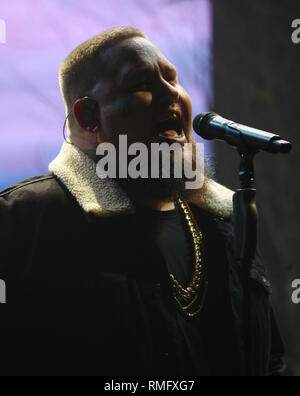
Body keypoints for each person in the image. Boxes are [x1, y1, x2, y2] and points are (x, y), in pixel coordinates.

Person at [0, 27, 284, 376]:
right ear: (88, 116)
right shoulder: (25, 219)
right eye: (141, 83)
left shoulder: (228, 221)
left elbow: (269, 359)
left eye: (172, 78)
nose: (173, 93)